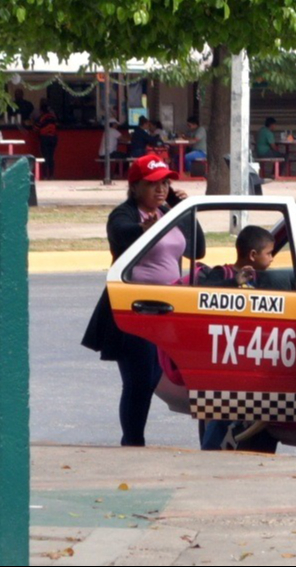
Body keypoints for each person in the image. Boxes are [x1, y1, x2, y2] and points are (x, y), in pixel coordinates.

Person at [81, 154, 206, 447]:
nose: (160, 189)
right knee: (138, 382)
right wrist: (142, 230)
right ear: (135, 186)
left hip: (171, 310)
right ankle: (133, 442)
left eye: (165, 183)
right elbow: (121, 235)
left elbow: (197, 249)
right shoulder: (125, 214)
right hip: (136, 310)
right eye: (152, 184)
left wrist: (182, 210)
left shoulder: (167, 211)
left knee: (155, 377)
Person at [198, 225, 276, 451]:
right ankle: (210, 451)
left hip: (249, 356)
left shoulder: (261, 280)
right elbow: (204, 294)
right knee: (222, 409)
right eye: (269, 253)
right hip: (224, 356)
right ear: (253, 255)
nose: (272, 258)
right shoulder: (222, 274)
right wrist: (234, 283)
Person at [34, 100, 58, 179]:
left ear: (41, 110)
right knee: (51, 157)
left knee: (44, 157)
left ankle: (44, 175)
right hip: (53, 138)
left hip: (44, 138)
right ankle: (51, 175)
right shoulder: (53, 117)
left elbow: (36, 129)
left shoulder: (41, 118)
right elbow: (57, 126)